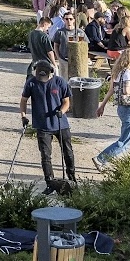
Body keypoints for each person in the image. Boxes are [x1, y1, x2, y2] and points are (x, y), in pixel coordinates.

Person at [20, 58, 76, 190]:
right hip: (42, 125)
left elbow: (66, 102)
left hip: (60, 123)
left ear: (51, 72)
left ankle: (72, 178)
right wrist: (23, 116)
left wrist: (61, 111)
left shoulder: (60, 82)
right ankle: (49, 183)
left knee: (68, 152)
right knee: (45, 155)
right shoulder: (31, 83)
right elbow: (23, 101)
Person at [94, 48, 130, 168]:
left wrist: (102, 106)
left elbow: (111, 91)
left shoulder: (116, 72)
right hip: (128, 108)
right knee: (126, 140)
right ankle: (101, 158)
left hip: (123, 108)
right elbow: (126, 91)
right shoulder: (127, 73)